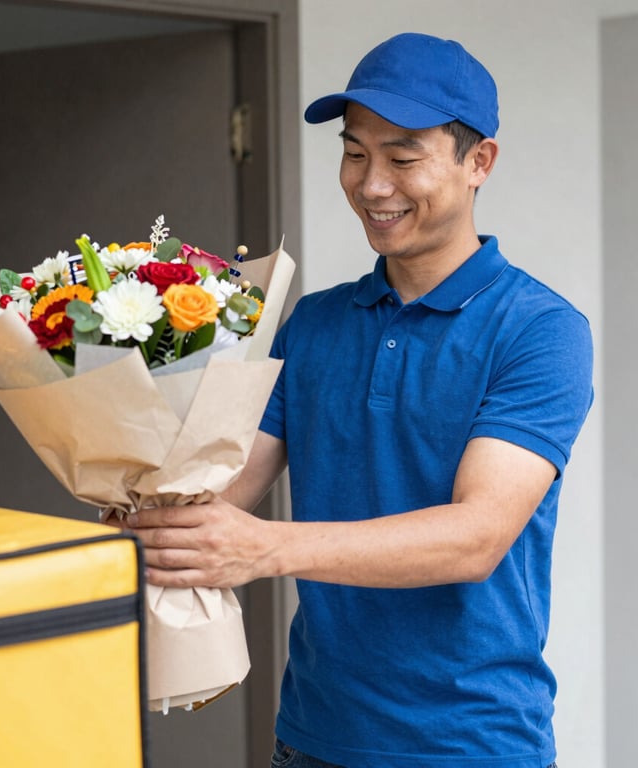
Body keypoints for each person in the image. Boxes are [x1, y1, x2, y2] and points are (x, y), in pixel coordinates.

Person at [121, 32, 593, 768]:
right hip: (311, 737)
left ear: (479, 162)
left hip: (469, 745)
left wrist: (267, 549)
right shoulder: (313, 322)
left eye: (403, 158)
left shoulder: (540, 331)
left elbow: (476, 537)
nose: (373, 185)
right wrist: (139, 496)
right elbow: (226, 486)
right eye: (355, 154)